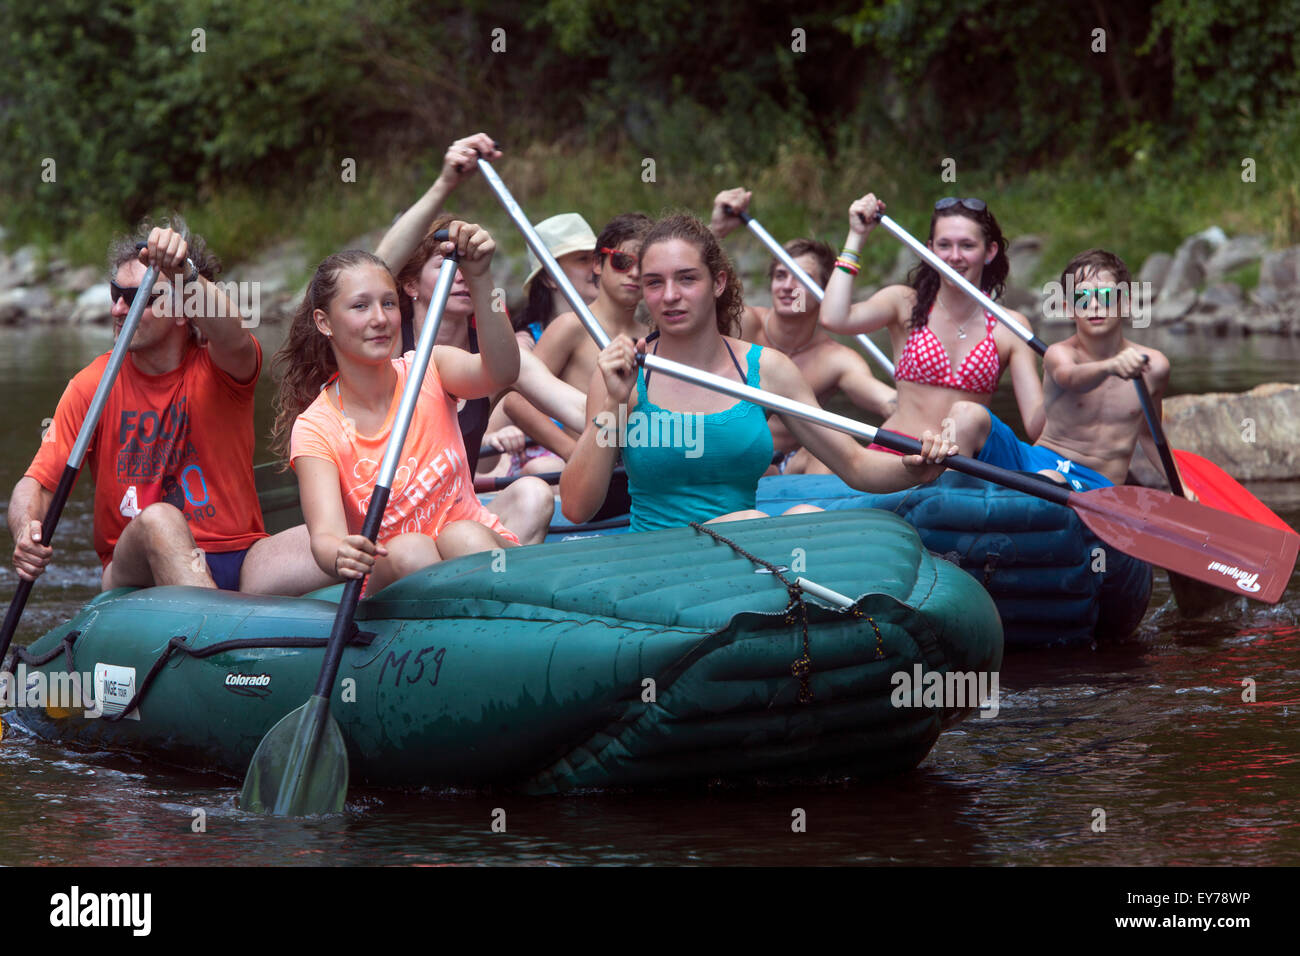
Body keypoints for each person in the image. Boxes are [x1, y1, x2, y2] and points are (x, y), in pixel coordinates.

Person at [559, 214, 953, 532]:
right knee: (752, 523)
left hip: (746, 550)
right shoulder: (625, 375)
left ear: (719, 283)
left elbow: (853, 463)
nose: (670, 296)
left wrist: (913, 469)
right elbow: (577, 507)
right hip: (662, 566)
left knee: (804, 515)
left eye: (687, 278)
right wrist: (611, 402)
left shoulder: (767, 370)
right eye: (654, 283)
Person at [10, 220, 333, 595]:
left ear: (184, 312)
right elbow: (37, 484)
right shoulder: (91, 386)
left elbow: (231, 331)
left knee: (343, 535)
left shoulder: (224, 366)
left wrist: (183, 272)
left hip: (240, 558)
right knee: (160, 519)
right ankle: (213, 631)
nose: (117, 308)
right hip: (136, 566)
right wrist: (26, 530)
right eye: (116, 293)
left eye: (137, 299)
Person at [272, 224, 520, 593]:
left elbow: (502, 371)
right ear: (324, 323)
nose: (380, 319)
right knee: (410, 549)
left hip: (475, 546)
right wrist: (339, 552)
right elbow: (325, 536)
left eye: (388, 303)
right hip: (394, 576)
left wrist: (481, 279)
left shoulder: (429, 367)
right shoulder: (315, 427)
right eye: (360, 306)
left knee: (462, 536)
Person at [373, 135, 580, 542]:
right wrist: (445, 184)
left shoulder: (494, 352)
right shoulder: (386, 340)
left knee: (533, 494)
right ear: (410, 283)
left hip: (457, 518)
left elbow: (578, 408)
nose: (462, 275)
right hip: (387, 524)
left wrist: (632, 414)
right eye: (448, 265)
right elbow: (375, 269)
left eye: (470, 266)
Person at [819, 194, 1044, 488]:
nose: (954, 256)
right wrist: (857, 236)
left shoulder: (1010, 326)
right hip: (896, 457)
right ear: (929, 250)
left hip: (962, 466)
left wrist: (1066, 379)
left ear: (989, 252)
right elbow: (834, 319)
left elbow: (1036, 426)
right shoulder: (903, 303)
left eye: (967, 245)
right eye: (944, 245)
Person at [941, 249, 1191, 494]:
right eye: (1082, 298)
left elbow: (1150, 436)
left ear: (1125, 303)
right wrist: (1111, 366)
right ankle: (941, 501)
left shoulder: (1154, 366)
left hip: (1095, 484)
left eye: (1105, 296)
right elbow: (1070, 378)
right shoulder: (1059, 354)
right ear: (1069, 308)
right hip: (1036, 461)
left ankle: (985, 498)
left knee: (1050, 479)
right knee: (966, 413)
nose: (1093, 305)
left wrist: (1181, 487)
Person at [709, 188, 898, 474]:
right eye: (780, 275)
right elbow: (692, 296)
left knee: (830, 452)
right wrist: (717, 231)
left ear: (825, 291)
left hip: (793, 468)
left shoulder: (836, 359)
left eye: (801, 279)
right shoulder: (743, 323)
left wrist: (924, 417)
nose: (787, 286)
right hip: (733, 460)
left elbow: (887, 403)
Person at [514, 212, 600, 348]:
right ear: (549, 277)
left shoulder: (615, 329)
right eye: (583, 259)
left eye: (597, 259)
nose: (597, 268)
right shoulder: (525, 345)